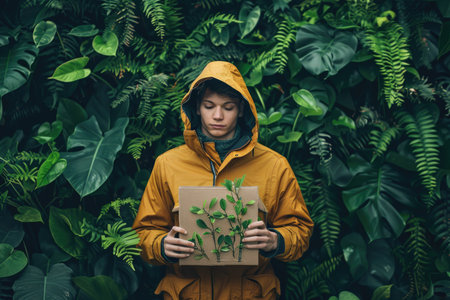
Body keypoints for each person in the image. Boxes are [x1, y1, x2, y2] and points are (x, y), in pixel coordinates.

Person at [132, 61, 314, 300]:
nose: (218, 116)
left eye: (228, 107)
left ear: (241, 109)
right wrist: (161, 246)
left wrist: (275, 240)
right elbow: (143, 232)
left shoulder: (274, 165)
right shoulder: (167, 164)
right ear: (196, 107)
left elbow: (300, 230)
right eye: (209, 106)